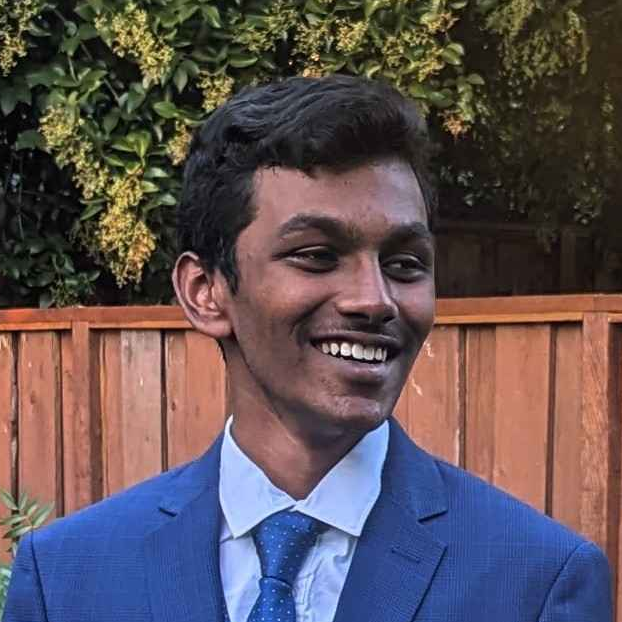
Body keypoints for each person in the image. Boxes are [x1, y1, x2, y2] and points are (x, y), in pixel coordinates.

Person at [3, 75, 612, 622]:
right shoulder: (68, 580)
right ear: (205, 292)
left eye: (405, 263)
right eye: (317, 255)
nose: (375, 300)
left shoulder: (537, 582)